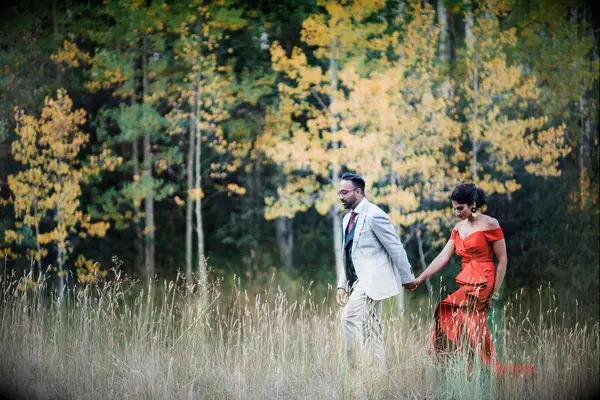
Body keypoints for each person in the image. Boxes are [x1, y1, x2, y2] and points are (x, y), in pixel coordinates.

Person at [412, 183, 534, 378]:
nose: (457, 213)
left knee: (450, 310)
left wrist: (495, 293)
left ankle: (469, 366)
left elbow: (502, 260)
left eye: (461, 208)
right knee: (466, 322)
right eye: (454, 209)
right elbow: (443, 257)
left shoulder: (490, 223)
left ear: (473, 204)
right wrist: (420, 278)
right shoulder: (458, 228)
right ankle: (477, 369)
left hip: (484, 280)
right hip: (466, 280)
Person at [336, 172, 417, 366]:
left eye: (344, 192)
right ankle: (379, 377)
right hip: (355, 282)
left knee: (349, 318)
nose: (341, 196)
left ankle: (354, 370)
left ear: (358, 192)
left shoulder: (375, 215)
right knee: (371, 329)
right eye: (339, 192)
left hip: (372, 281)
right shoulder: (347, 219)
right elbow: (348, 253)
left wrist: (407, 278)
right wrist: (342, 285)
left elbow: (395, 247)